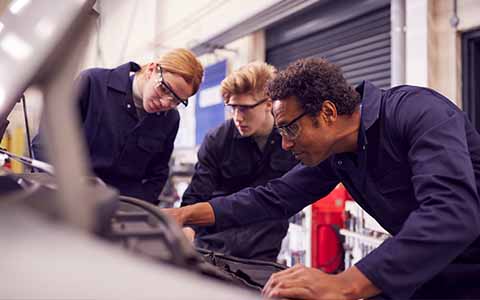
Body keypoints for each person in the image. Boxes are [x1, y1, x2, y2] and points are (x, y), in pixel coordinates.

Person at [163, 58, 480, 299]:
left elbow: (451, 213)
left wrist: (345, 283)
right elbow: (276, 196)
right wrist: (185, 214)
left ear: (327, 113)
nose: (285, 143)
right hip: (433, 267)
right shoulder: (339, 153)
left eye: (289, 128)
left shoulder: (419, 113)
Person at [32, 49, 204, 205]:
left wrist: (136, 206)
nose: (166, 102)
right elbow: (47, 142)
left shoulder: (170, 119)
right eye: (165, 89)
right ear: (152, 69)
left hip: (122, 212)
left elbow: (157, 174)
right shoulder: (93, 83)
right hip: (67, 200)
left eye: (176, 101)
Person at [181, 62, 298, 261]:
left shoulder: (291, 140)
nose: (237, 117)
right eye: (233, 108)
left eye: (244, 109)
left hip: (264, 246)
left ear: (268, 103)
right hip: (214, 243)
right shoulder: (217, 139)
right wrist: (187, 229)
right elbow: (198, 192)